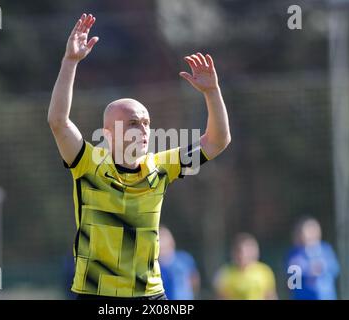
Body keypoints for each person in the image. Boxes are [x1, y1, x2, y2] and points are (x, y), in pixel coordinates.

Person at [48, 13, 231, 299]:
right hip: (96, 295)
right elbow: (58, 121)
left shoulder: (161, 167)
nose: (143, 129)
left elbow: (218, 141)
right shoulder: (87, 163)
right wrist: (70, 62)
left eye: (146, 122)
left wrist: (212, 92)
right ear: (108, 133)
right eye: (134, 122)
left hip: (150, 297)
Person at [285, 216, 340, 300]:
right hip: (303, 297)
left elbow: (335, 268)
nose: (311, 234)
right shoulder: (295, 254)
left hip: (326, 296)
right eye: (308, 231)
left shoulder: (326, 249)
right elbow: (293, 282)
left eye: (313, 230)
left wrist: (322, 268)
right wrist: (308, 271)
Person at [213, 233, 277, 300]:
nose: (243, 255)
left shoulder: (264, 271)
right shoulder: (225, 273)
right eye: (240, 251)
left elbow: (270, 296)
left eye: (247, 251)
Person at [158, 225, 200, 300]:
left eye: (165, 237)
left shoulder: (184, 259)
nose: (163, 241)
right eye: (160, 238)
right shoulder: (155, 266)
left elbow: (194, 280)